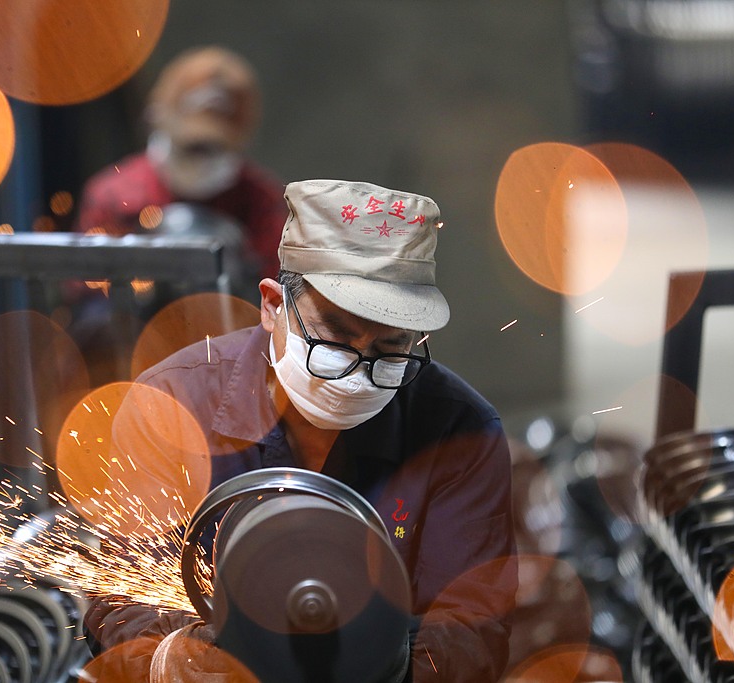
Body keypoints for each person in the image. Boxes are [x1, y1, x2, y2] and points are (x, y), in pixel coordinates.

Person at [83, 179, 518, 682]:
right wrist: (171, 661)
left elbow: (472, 626)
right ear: (272, 305)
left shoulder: (460, 430)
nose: (358, 369)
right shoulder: (172, 405)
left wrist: (379, 664)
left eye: (391, 348)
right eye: (336, 334)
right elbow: (116, 589)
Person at [73, 45, 288, 282]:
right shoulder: (115, 197)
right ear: (156, 117)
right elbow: (85, 291)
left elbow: (277, 289)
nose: (200, 160)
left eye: (212, 148)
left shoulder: (260, 202)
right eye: (191, 147)